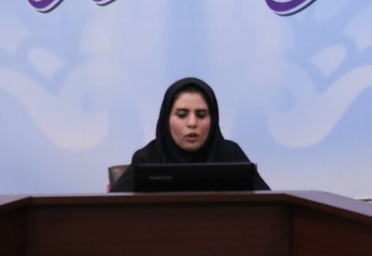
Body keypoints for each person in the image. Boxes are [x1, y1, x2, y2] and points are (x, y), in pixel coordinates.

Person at [110, 77, 269, 192]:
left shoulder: (230, 155)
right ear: (166, 119)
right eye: (182, 115)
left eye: (201, 115)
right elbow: (113, 212)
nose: (192, 123)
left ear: (213, 120)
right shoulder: (147, 158)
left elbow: (268, 206)